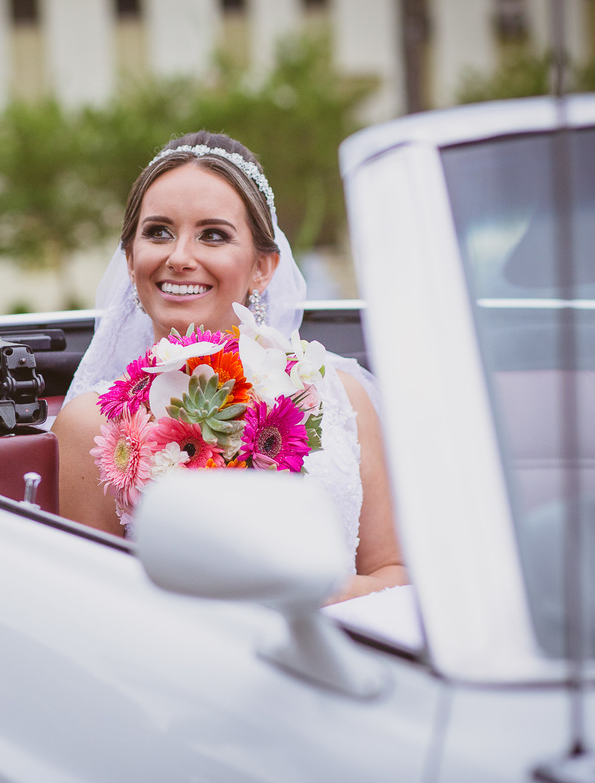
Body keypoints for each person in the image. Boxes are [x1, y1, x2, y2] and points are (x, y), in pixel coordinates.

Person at [52, 131, 405, 602]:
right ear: (131, 256)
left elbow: (393, 573)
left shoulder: (340, 397)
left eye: (213, 235)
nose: (179, 257)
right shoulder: (91, 424)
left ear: (263, 267)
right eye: (158, 232)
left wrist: (309, 597)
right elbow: (88, 603)